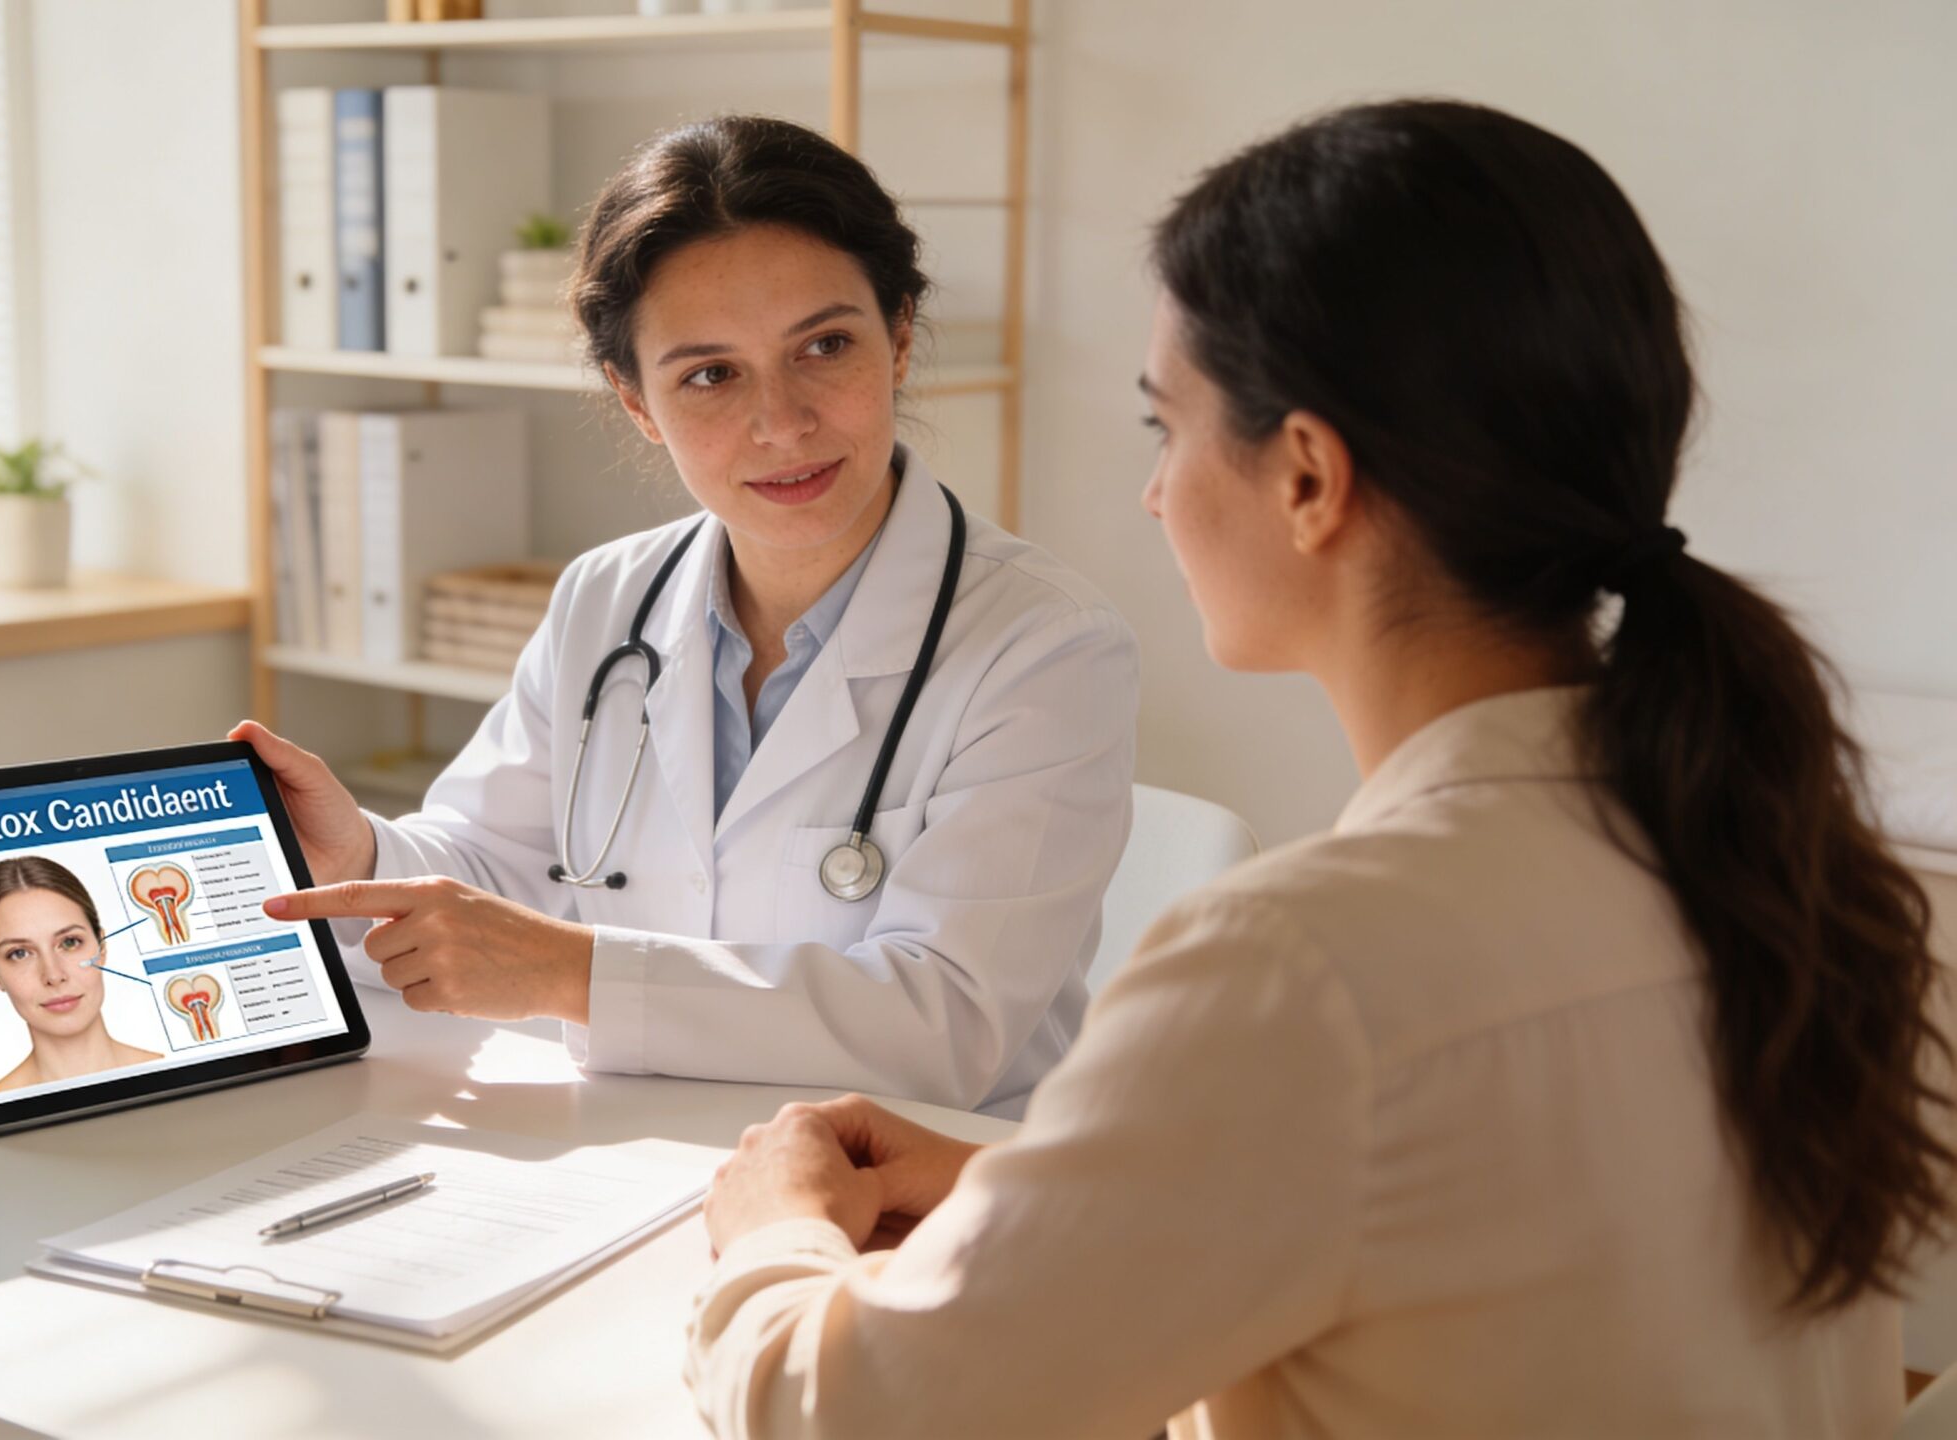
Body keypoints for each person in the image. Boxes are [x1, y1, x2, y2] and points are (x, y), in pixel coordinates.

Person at [687, 99, 1953, 1437]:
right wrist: (1041, 1183)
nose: (1154, 494)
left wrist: (773, 1236)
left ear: (1306, 479)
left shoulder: (1300, 974)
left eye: (1162, 426)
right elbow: (1462, 1239)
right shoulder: (1771, 861)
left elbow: (844, 1413)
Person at [242, 115, 1138, 1113]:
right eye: (709, 375)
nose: (781, 422)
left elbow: (950, 1023)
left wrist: (569, 973)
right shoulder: (605, 598)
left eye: (825, 346)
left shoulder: (1044, 645)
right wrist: (358, 859)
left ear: (899, 339)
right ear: (633, 400)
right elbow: (493, 868)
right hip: (637, 1156)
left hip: (919, 1191)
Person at [0, 856, 161, 1092]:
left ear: (101, 947)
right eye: (19, 953)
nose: (53, 975)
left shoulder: (173, 1071)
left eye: (70, 942)